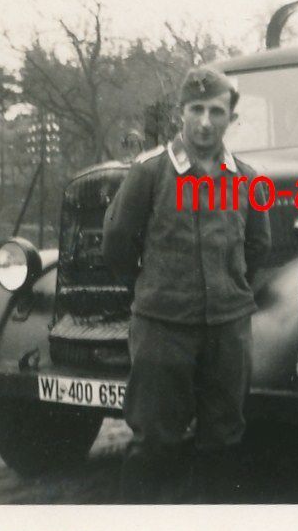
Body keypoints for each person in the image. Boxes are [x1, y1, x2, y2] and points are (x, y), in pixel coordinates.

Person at [103, 66, 272, 504]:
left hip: (227, 330)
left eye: (216, 111)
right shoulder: (150, 174)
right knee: (156, 443)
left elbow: (259, 247)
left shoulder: (248, 179)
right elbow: (119, 243)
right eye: (196, 109)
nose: (204, 121)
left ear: (230, 118)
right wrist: (151, 292)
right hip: (163, 328)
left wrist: (229, 293)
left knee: (223, 441)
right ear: (181, 112)